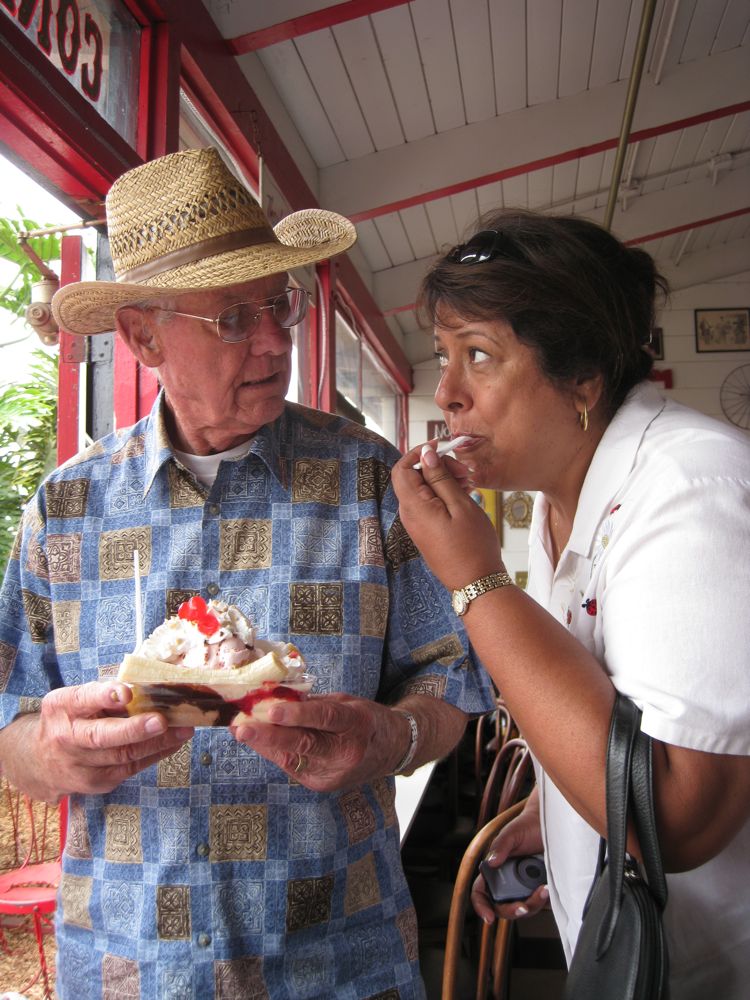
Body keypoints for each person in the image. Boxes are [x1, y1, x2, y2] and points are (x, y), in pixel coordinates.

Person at [0, 147, 494, 1000]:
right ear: (144, 336)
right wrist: (49, 755)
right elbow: (9, 715)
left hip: (339, 960)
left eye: (279, 304)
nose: (273, 339)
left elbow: (455, 677)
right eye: (233, 317)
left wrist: (393, 739)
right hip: (130, 968)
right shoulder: (67, 508)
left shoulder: (372, 479)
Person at [391, 211, 750, 998]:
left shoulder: (693, 491)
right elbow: (612, 718)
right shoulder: (563, 501)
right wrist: (559, 813)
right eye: (444, 356)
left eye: (479, 356)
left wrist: (475, 580)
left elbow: (678, 814)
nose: (447, 393)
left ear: (582, 380)